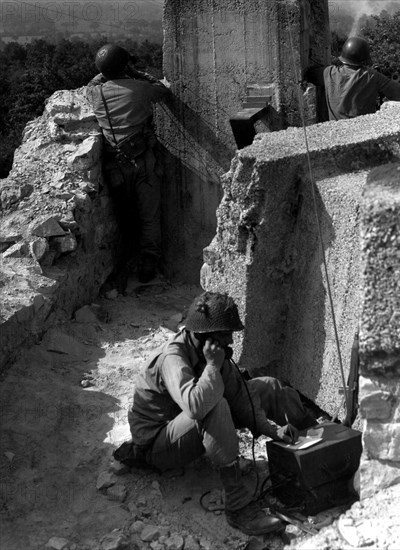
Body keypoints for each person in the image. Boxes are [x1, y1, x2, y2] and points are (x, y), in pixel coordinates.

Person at [126, 291, 316, 536]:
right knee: (215, 405)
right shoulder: (172, 358)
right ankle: (237, 506)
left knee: (267, 386)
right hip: (158, 444)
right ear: (202, 336)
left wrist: (271, 429)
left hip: (185, 427)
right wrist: (213, 366)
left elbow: (241, 396)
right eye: (225, 335)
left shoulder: (211, 351)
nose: (231, 341)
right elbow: (196, 407)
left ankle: (319, 444)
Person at [87, 44, 171, 291]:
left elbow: (93, 82)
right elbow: (163, 91)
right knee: (149, 217)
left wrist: (110, 71)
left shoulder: (96, 93)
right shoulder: (142, 89)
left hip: (115, 168)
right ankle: (148, 266)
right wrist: (137, 73)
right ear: (126, 65)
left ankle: (123, 266)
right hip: (143, 162)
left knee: (124, 219)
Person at [305, 36, 400, 121]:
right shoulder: (371, 76)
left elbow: (311, 74)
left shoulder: (330, 73)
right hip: (363, 132)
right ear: (364, 59)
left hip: (336, 133)